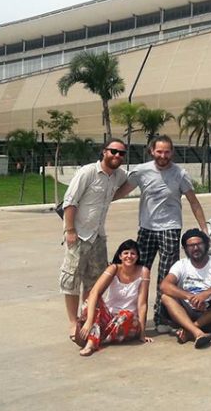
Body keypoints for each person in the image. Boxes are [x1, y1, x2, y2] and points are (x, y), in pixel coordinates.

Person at [113, 135, 209, 332]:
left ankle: (162, 318)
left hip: (170, 228)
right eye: (159, 151)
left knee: (167, 276)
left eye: (166, 152)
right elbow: (120, 192)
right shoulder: (141, 171)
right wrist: (97, 201)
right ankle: (133, 316)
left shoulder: (180, 174)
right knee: (138, 272)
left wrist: (204, 229)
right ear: (152, 151)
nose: (163, 156)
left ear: (172, 152)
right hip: (147, 229)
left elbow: (193, 201)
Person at [60, 138, 128, 341]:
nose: (117, 156)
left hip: (98, 236)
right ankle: (73, 322)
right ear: (104, 151)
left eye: (121, 153)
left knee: (94, 280)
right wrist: (70, 230)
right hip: (79, 234)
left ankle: (85, 317)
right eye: (113, 151)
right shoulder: (88, 172)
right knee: (72, 278)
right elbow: (69, 202)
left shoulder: (118, 175)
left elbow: (130, 182)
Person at [159, 228, 211, 349]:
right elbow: (164, 285)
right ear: (185, 249)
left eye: (199, 244)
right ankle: (197, 333)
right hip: (186, 314)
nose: (195, 248)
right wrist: (190, 297)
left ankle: (191, 329)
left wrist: (206, 294)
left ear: (206, 245)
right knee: (166, 297)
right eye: (191, 245)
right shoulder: (181, 265)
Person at [77, 239, 153, 356]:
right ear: (120, 256)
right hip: (110, 317)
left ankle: (93, 339)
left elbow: (142, 304)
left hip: (128, 321)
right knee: (90, 301)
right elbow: (94, 292)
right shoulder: (113, 268)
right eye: (126, 253)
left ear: (137, 257)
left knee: (126, 315)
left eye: (133, 253)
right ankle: (93, 337)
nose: (129, 256)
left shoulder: (144, 271)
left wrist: (142, 334)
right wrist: (89, 321)